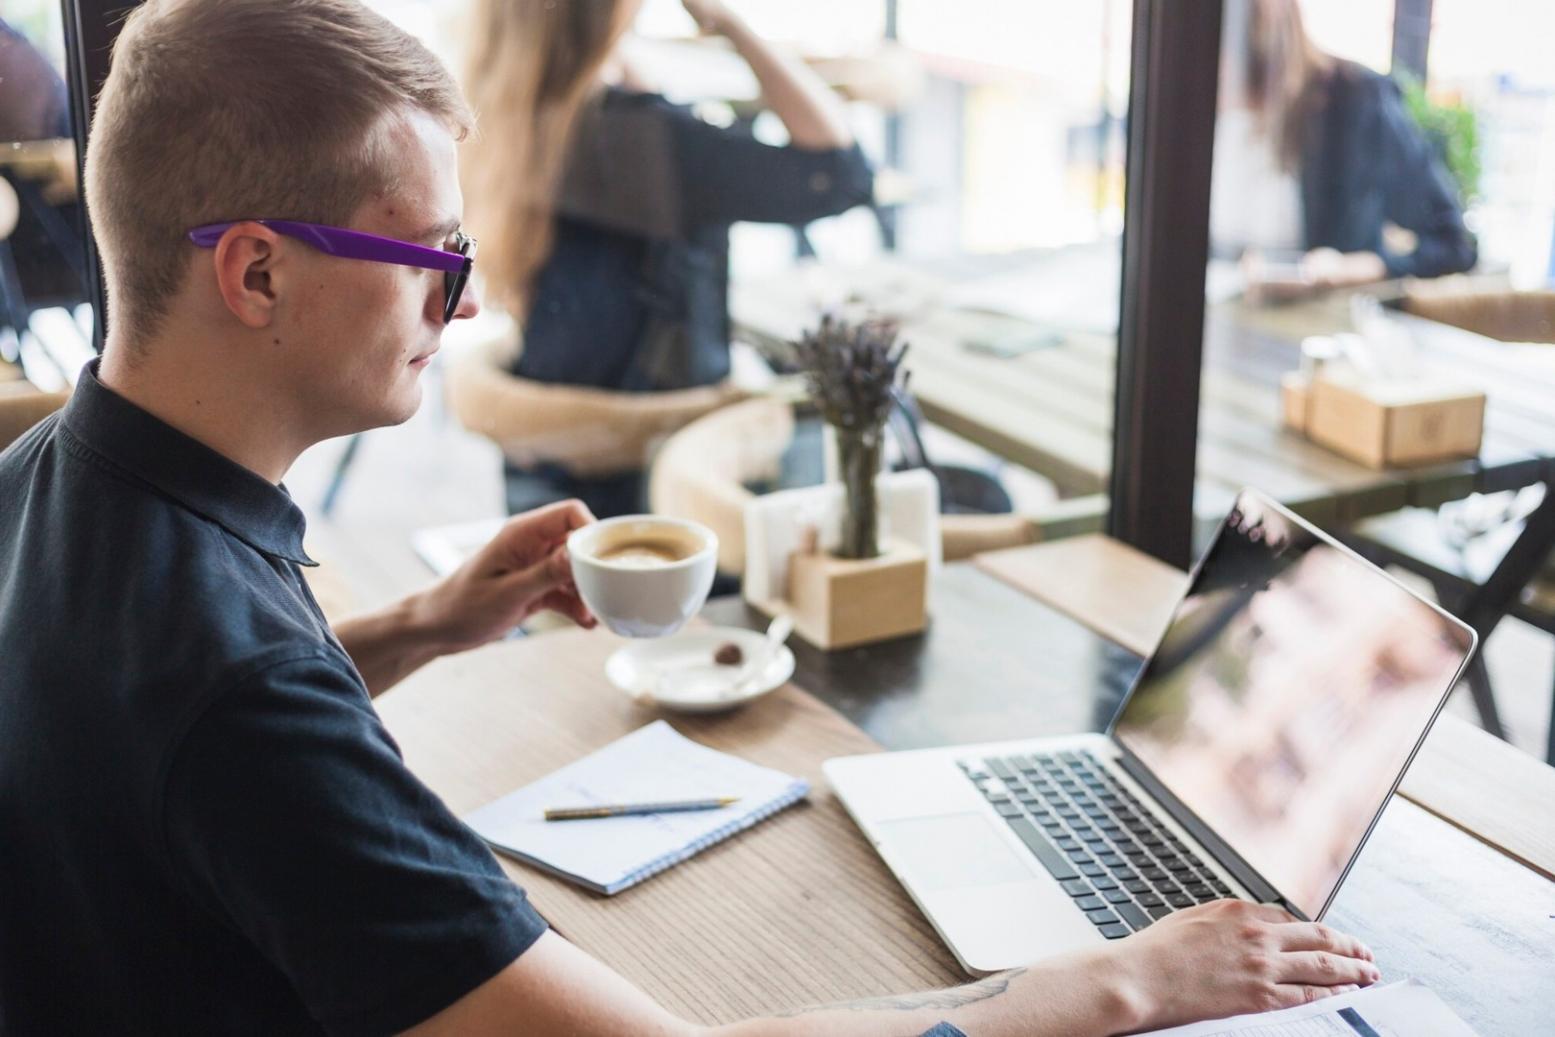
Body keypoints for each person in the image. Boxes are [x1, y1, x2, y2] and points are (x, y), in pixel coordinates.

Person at [0, 1, 1379, 1033]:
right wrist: (1127, 979)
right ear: (255, 274)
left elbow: (157, 740)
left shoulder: (51, 478)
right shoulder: (244, 694)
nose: (461, 306)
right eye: (432, 256)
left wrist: (422, 624)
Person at [460, 0, 874, 518]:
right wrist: (731, 24)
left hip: (546, 467)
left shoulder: (507, 114)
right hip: (654, 479)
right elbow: (840, 173)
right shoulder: (652, 143)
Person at [1212, 0, 1476, 297]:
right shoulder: (1196, 115)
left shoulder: (1354, 99)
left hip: (1321, 317)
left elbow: (1454, 243)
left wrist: (1359, 268)